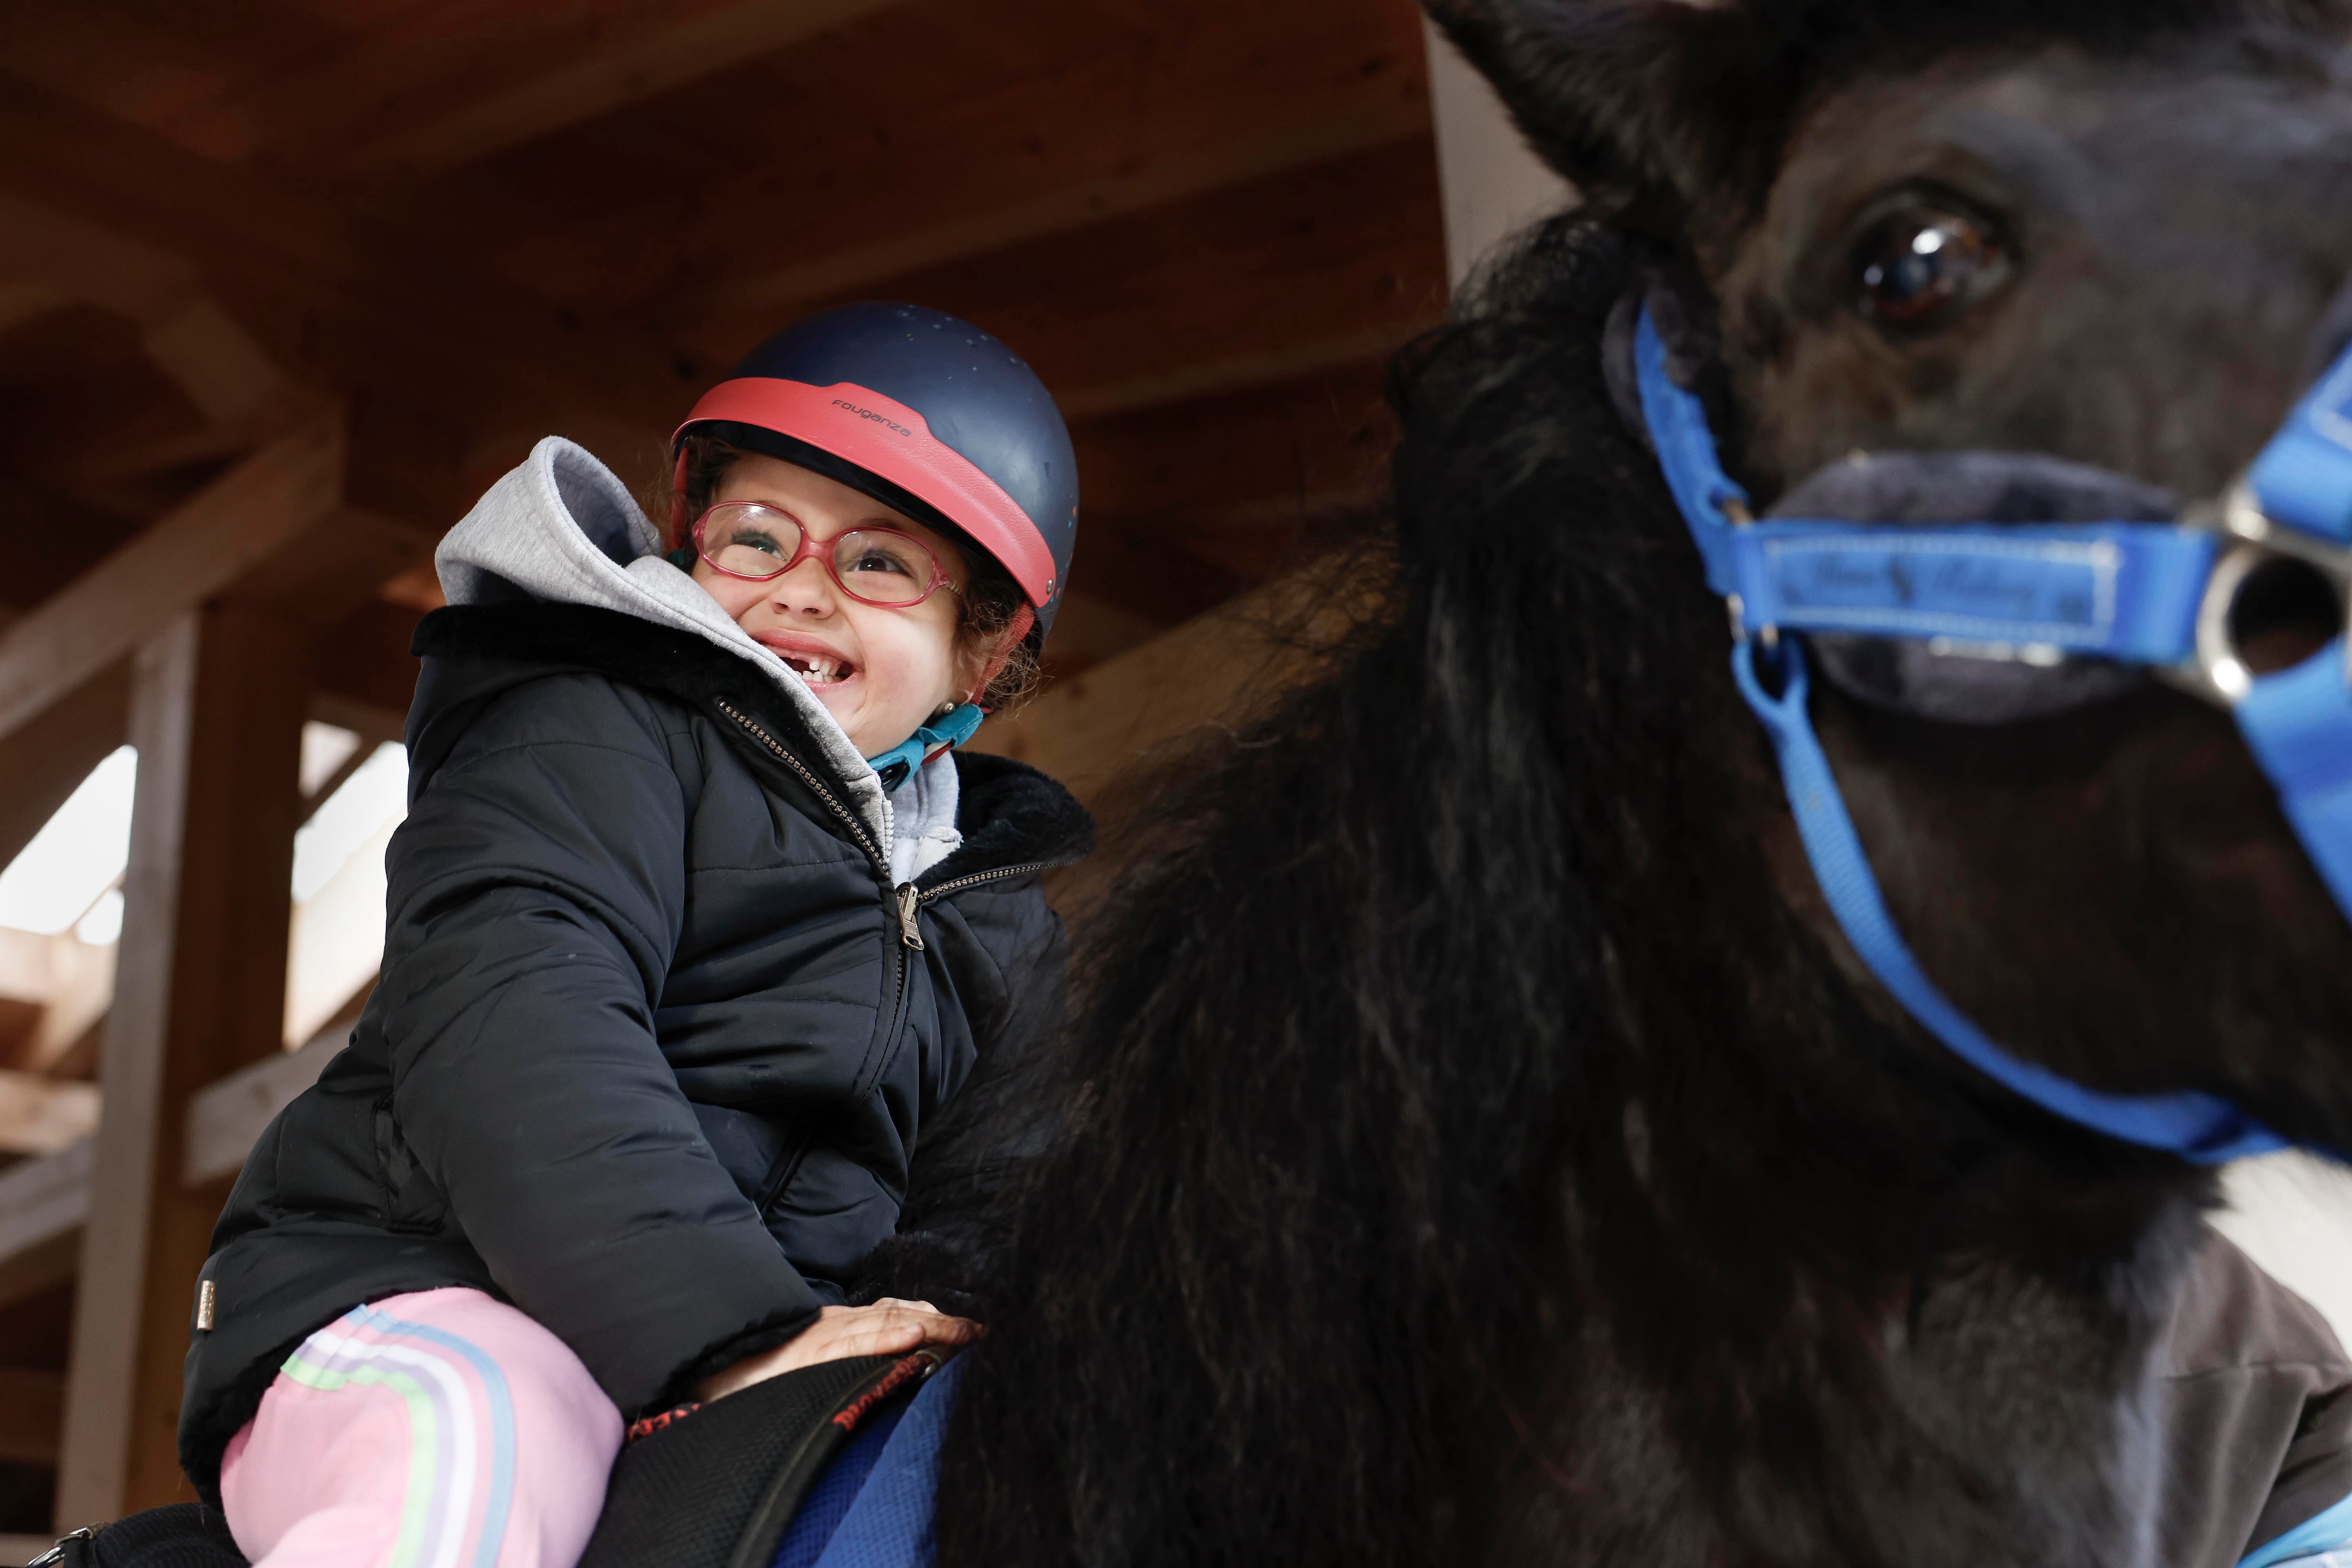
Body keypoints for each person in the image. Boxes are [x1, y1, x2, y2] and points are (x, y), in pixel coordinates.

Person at [173, 302, 1092, 1568]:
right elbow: (519, 1029)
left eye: (880, 563)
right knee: (485, 1441)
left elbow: (1007, 1197)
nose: (801, 589)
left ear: (981, 652)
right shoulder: (589, 727)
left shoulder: (1002, 917)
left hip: (762, 1359)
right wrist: (734, 1331)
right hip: (437, 1291)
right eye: (758, 536)